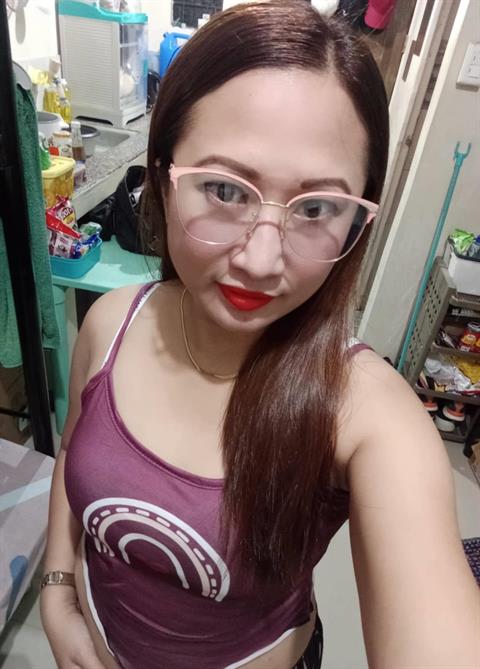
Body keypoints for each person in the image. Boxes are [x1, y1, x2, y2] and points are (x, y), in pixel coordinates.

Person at [40, 2, 480, 668]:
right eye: (225, 189)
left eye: (318, 207)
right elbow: (75, 450)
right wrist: (57, 589)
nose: (261, 259)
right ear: (162, 176)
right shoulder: (111, 324)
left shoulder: (365, 413)